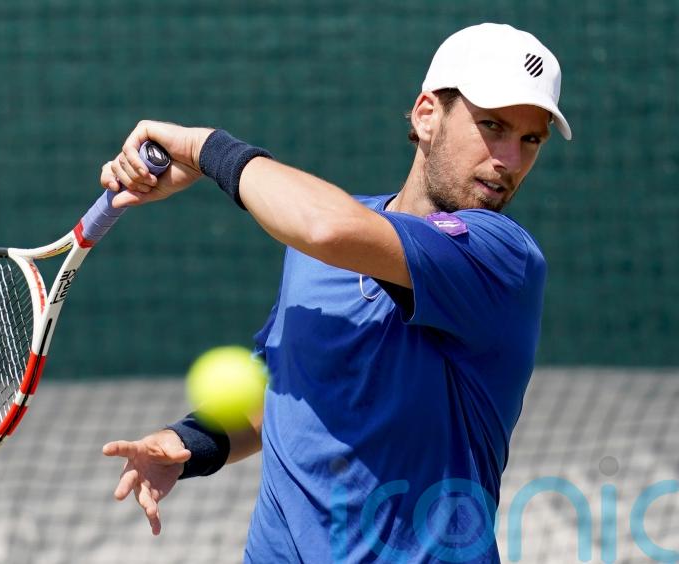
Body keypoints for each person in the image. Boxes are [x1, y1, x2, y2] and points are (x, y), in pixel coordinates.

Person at [100, 22, 571, 563]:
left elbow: (326, 226)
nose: (509, 160)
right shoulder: (316, 243)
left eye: (530, 139)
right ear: (426, 116)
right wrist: (192, 443)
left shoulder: (500, 256)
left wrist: (207, 150)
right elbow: (281, 387)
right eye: (493, 126)